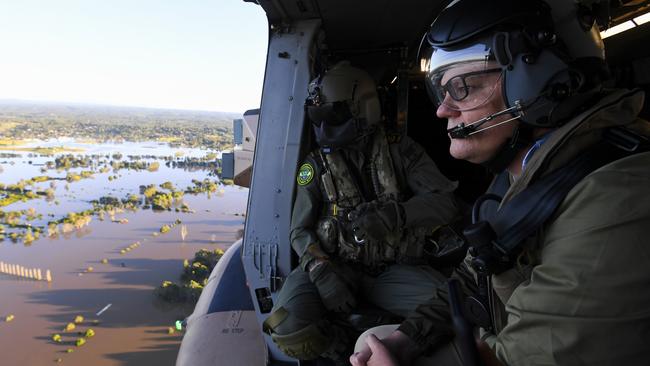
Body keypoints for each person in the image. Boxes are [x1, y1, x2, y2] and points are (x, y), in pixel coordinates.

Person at [351, 0, 650, 365]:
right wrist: (406, 339)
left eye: (462, 86)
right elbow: (473, 275)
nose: (442, 110)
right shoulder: (525, 172)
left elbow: (533, 357)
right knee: (376, 339)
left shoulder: (618, 192)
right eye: (442, 91)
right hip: (504, 335)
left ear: (539, 82)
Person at [262, 61, 459, 364]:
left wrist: (397, 215)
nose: (325, 128)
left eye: (334, 116)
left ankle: (399, 345)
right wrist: (320, 270)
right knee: (287, 326)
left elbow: (445, 203)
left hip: (392, 269)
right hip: (335, 266)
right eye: (319, 118)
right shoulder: (315, 167)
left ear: (362, 110)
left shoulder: (401, 151)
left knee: (459, 307)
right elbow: (299, 231)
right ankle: (344, 350)